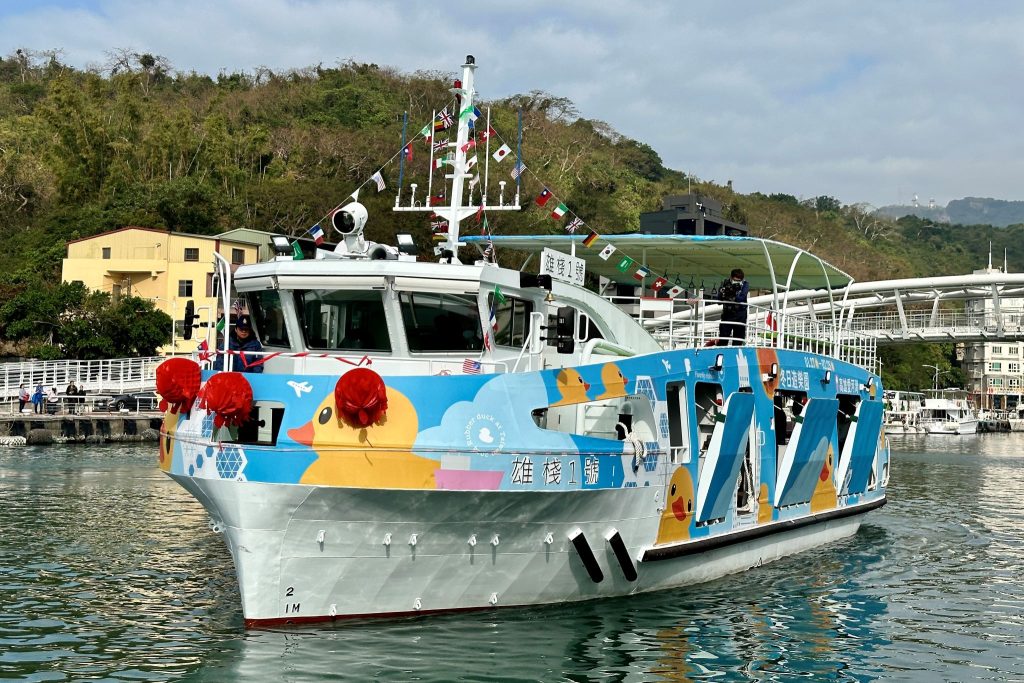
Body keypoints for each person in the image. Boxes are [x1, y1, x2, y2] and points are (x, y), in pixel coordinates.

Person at [714, 268, 749, 346]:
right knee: (723, 337)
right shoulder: (725, 284)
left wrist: (732, 295)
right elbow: (719, 300)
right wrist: (724, 293)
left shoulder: (745, 284)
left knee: (738, 339)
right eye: (735, 280)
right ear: (731, 277)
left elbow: (742, 298)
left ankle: (736, 352)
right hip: (727, 314)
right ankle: (722, 352)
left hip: (740, 315)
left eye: (739, 281)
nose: (736, 282)